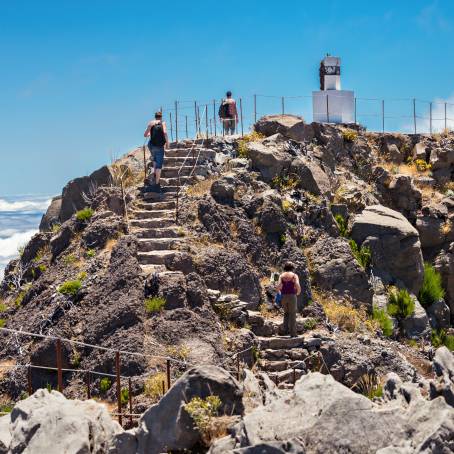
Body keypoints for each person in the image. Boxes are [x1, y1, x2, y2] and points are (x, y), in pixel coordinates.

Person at [143, 111, 169, 191]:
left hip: (151, 145)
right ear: (161, 117)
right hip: (159, 146)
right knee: (159, 165)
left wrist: (150, 134)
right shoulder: (163, 123)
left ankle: (154, 173)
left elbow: (145, 134)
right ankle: (157, 184)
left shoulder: (151, 123)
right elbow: (164, 133)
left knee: (154, 158)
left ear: (155, 117)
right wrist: (167, 143)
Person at [276, 262, 301, 337]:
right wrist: (298, 292)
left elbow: (278, 286)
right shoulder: (294, 275)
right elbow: (297, 284)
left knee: (286, 313)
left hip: (283, 296)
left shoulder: (281, 276)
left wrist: (279, 293)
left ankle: (285, 331)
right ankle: (293, 333)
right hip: (292, 296)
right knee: (292, 314)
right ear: (292, 268)